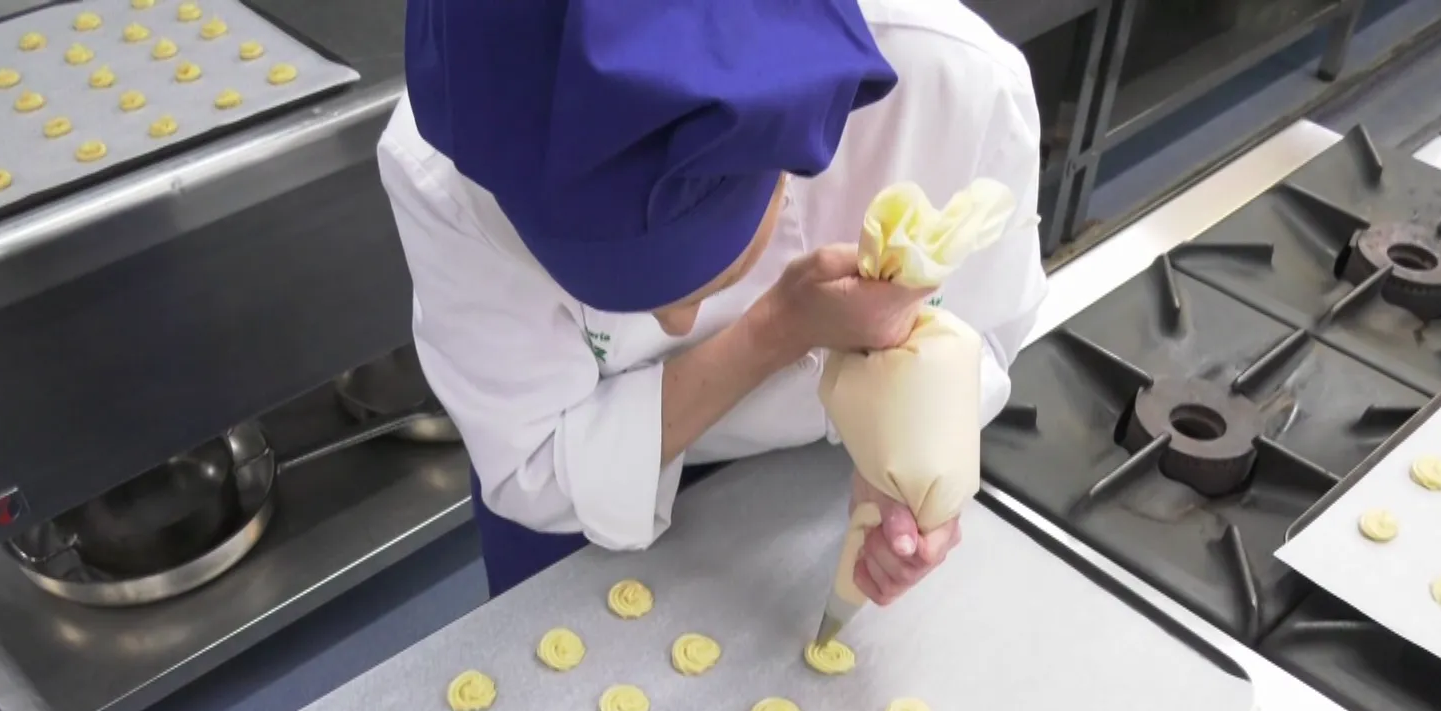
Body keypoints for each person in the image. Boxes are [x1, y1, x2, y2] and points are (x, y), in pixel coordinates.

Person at [381, 0, 1047, 599]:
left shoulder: (955, 80)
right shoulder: (451, 164)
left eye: (713, 275)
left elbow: (984, 326)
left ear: (787, 145)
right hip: (583, 514)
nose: (675, 324)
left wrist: (906, 434)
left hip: (825, 491)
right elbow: (536, 465)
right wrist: (777, 329)